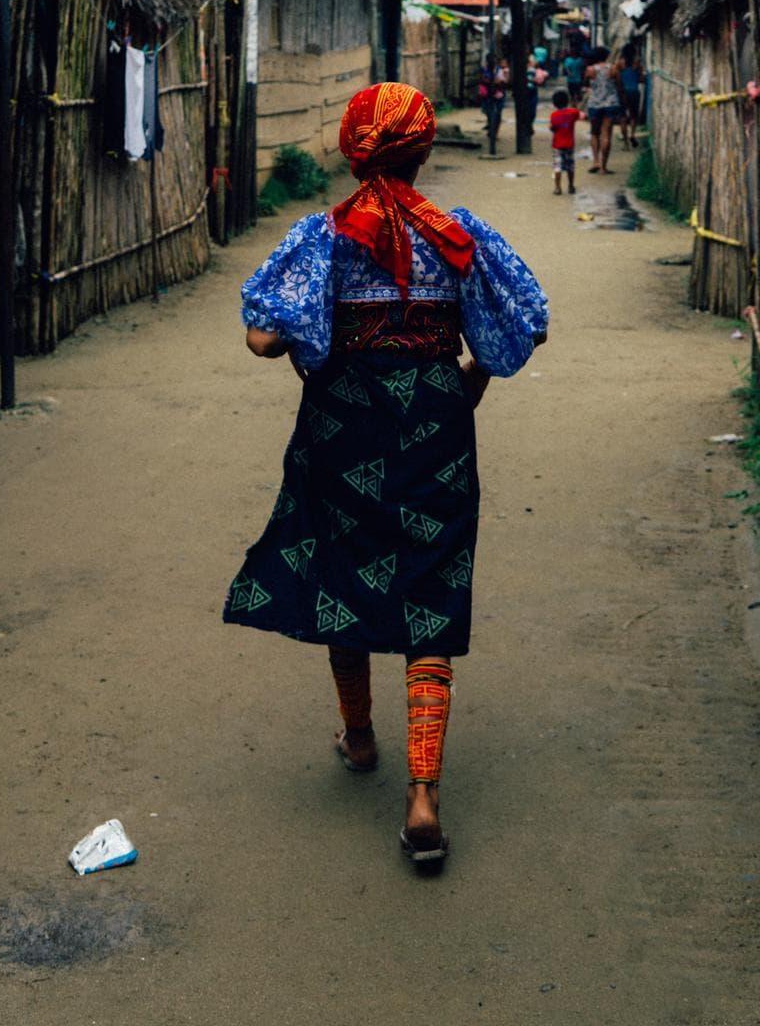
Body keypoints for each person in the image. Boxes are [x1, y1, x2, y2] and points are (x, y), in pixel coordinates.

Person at [226, 83, 548, 865]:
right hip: (437, 426)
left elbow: (265, 339)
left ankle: (362, 739)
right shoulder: (459, 233)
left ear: (350, 149)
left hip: (343, 426)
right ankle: (424, 797)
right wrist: (466, 381)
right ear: (425, 150)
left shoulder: (326, 237)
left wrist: (318, 343)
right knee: (430, 585)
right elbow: (524, 321)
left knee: (345, 574)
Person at [584, 45, 622, 174]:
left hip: (594, 103)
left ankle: (595, 161)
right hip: (610, 103)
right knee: (606, 134)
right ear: (606, 56)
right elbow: (619, 86)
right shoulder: (613, 69)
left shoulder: (590, 70)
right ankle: (604, 167)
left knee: (594, 133)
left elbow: (585, 84)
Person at [548, 88, 583, 195]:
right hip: (569, 144)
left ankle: (558, 188)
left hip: (557, 145)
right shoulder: (573, 112)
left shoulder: (554, 115)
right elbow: (582, 115)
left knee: (557, 167)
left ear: (554, 103)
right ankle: (571, 186)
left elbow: (552, 127)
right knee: (570, 166)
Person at [619, 42, 644, 150]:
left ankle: (625, 143)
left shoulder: (620, 63)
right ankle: (632, 135)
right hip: (634, 91)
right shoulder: (637, 63)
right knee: (634, 116)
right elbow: (641, 79)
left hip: (623, 92)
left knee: (623, 117)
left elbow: (617, 78)